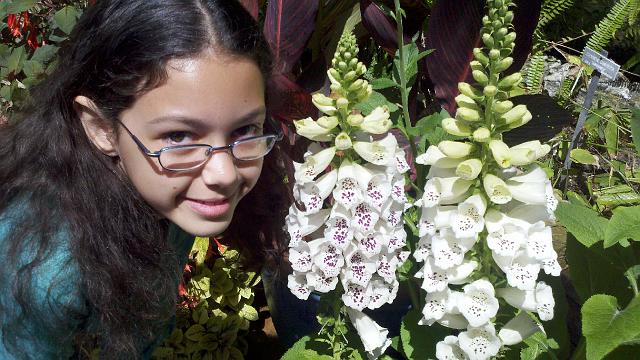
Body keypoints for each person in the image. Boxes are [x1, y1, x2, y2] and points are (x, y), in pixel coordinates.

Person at [0, 0, 289, 358]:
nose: (224, 174)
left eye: (245, 129)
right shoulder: (46, 274)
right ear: (101, 128)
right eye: (179, 137)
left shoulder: (169, 189)